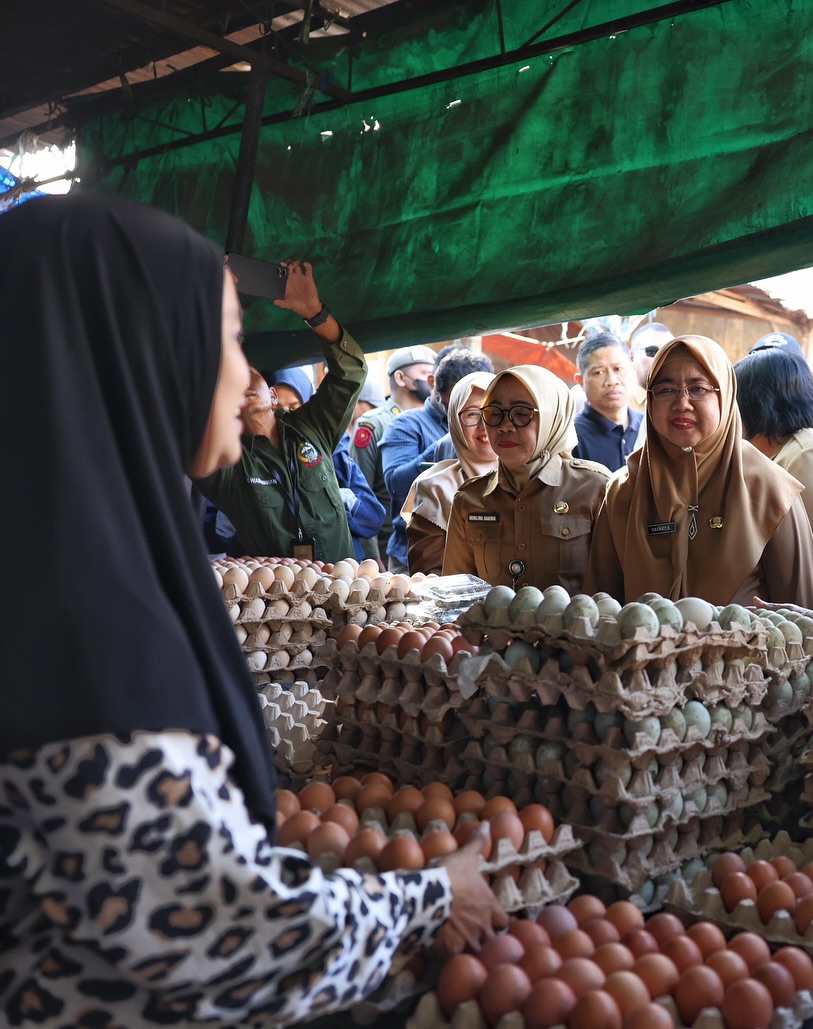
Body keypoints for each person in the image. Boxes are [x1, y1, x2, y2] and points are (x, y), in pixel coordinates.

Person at [1, 193, 503, 1026]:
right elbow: (213, 931)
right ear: (137, 350)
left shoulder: (62, 559)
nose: (246, 378)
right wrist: (430, 896)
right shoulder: (84, 628)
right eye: (226, 339)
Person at [586, 336, 813, 607]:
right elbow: (599, 608)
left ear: (725, 395)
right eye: (665, 390)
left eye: (698, 388)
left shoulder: (769, 489)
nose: (682, 403)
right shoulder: (624, 491)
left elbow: (804, 614)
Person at [193, 267, 366, 564]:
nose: (243, 381)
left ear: (273, 396)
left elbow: (350, 373)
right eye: (232, 378)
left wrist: (315, 313)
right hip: (280, 593)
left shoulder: (312, 428)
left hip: (342, 587)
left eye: (251, 374)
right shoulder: (227, 463)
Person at [443, 366, 610, 592]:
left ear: (553, 417)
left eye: (522, 413)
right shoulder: (470, 499)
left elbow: (615, 588)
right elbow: (456, 595)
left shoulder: (595, 488)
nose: (504, 426)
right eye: (494, 413)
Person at [735, 343, 813, 600]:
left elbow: (812, 572)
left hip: (804, 619)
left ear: (756, 403)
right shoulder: (773, 452)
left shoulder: (812, 455)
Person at [271, 367, 387, 560]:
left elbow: (372, 516)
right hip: (285, 568)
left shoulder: (330, 449)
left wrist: (335, 499)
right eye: (276, 408)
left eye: (294, 406)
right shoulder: (256, 456)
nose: (285, 415)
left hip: (340, 565)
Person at [381, 349, 481, 570]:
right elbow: (396, 484)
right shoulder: (406, 424)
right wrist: (447, 444)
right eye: (453, 403)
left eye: (475, 408)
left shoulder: (491, 431)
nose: (460, 412)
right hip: (411, 559)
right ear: (436, 388)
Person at [404, 370, 497, 574]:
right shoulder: (436, 488)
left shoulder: (528, 480)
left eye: (495, 413)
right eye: (472, 414)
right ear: (454, 421)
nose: (485, 425)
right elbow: (430, 576)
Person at [351, 344, 436, 557]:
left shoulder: (435, 421)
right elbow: (360, 496)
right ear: (400, 378)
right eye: (425, 373)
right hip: (388, 545)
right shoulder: (374, 424)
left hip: (428, 542)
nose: (431, 379)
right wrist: (371, 556)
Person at [573, 330, 644, 471]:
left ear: (633, 370)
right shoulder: (571, 439)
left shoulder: (650, 427)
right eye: (599, 372)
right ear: (581, 381)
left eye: (618, 369)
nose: (612, 381)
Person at [628, 321, 673, 403]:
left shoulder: (683, 402)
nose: (662, 359)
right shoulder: (617, 403)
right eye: (652, 352)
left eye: (669, 353)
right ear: (631, 357)